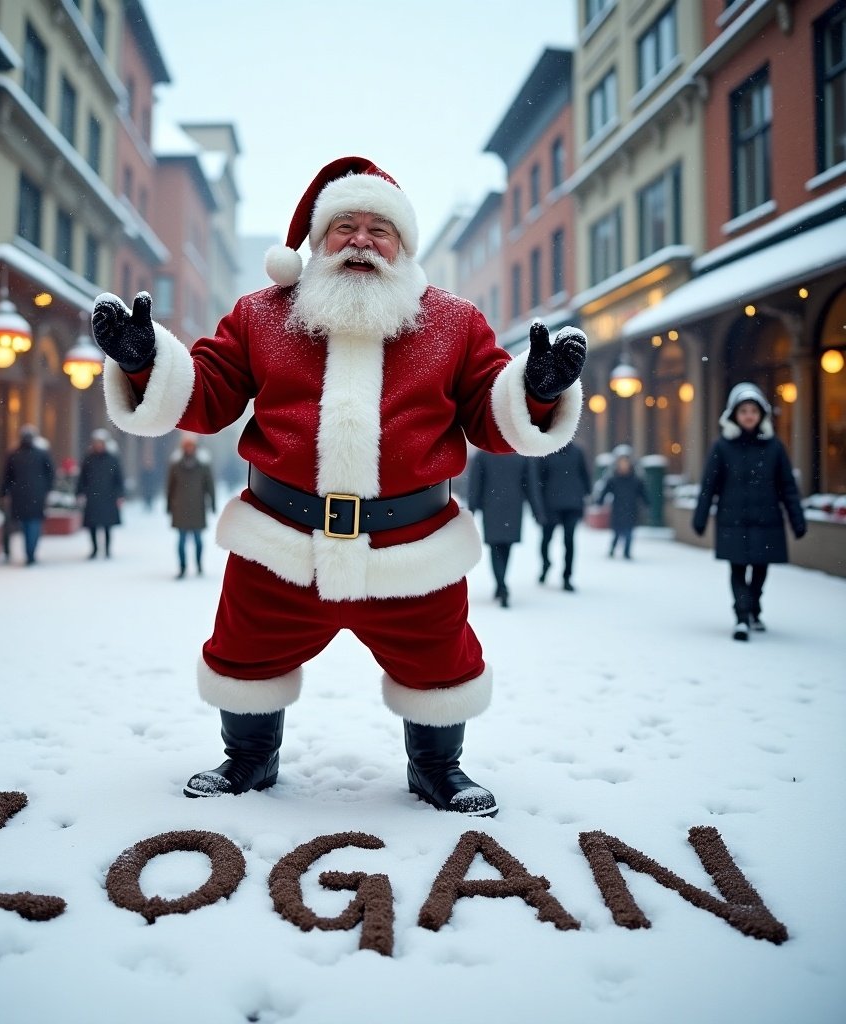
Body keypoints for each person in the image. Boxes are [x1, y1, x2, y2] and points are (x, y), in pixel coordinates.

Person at [91, 155, 586, 818]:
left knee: (441, 662)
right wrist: (145, 358)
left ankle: (438, 768)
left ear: (404, 245)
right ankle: (248, 757)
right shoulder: (261, 315)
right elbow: (206, 395)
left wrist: (535, 389)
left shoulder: (454, 322)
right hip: (281, 543)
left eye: (379, 229)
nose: (360, 240)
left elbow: (489, 417)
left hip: (411, 548)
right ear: (317, 243)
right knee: (245, 655)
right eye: (344, 226)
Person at [692, 383, 806, 641]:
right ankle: (742, 617)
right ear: (734, 415)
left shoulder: (775, 447)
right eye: (743, 410)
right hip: (733, 521)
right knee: (738, 569)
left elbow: (788, 486)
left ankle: (753, 608)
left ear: (761, 414)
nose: (749, 415)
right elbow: (709, 486)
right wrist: (700, 517)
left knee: (761, 570)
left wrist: (797, 520)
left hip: (767, 521)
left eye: (753, 410)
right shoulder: (722, 447)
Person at [466, 449, 541, 607]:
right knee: (506, 546)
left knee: (495, 546)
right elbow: (531, 486)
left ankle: (501, 584)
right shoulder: (521, 454)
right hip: (513, 508)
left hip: (491, 507)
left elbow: (474, 484)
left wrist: (471, 510)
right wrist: (537, 511)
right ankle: (501, 583)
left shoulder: (483, 455)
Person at [531, 440, 592, 591]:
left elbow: (584, 475)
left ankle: (567, 577)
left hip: (571, 505)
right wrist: (539, 506)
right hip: (551, 506)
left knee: (568, 542)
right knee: (547, 540)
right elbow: (538, 480)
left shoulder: (577, 452)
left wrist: (585, 494)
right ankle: (546, 564)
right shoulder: (546, 452)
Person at [0, 424, 55, 566]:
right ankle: (31, 552)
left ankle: (29, 552)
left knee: (26, 525)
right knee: (33, 524)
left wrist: (4, 491)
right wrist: (47, 489)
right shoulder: (41, 454)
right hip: (35, 495)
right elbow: (50, 474)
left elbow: (7, 476)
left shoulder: (14, 454)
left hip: (21, 495)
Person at [166, 433, 216, 578]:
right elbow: (170, 487)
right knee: (181, 541)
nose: (189, 448)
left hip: (197, 508)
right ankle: (182, 567)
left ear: (195, 447)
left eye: (191, 445)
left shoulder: (203, 465)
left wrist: (212, 503)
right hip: (180, 508)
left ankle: (199, 565)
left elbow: (210, 486)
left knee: (198, 541)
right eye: (186, 445)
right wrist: (169, 505)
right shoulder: (176, 464)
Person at [76, 429, 125, 559]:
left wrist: (120, 495)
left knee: (107, 526)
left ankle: (107, 549)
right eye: (96, 443)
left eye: (100, 443)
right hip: (92, 497)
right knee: (92, 526)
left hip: (108, 497)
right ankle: (94, 549)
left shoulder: (112, 459)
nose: (98, 445)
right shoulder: (88, 459)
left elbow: (118, 479)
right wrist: (80, 493)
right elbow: (82, 478)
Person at [597, 447, 649, 560]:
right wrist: (600, 501)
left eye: (626, 462)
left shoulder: (635, 480)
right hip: (618, 509)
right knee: (617, 532)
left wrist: (647, 503)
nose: (624, 465)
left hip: (631, 509)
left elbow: (643, 493)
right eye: (621, 462)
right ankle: (613, 548)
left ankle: (627, 552)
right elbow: (606, 491)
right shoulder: (614, 479)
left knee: (629, 533)